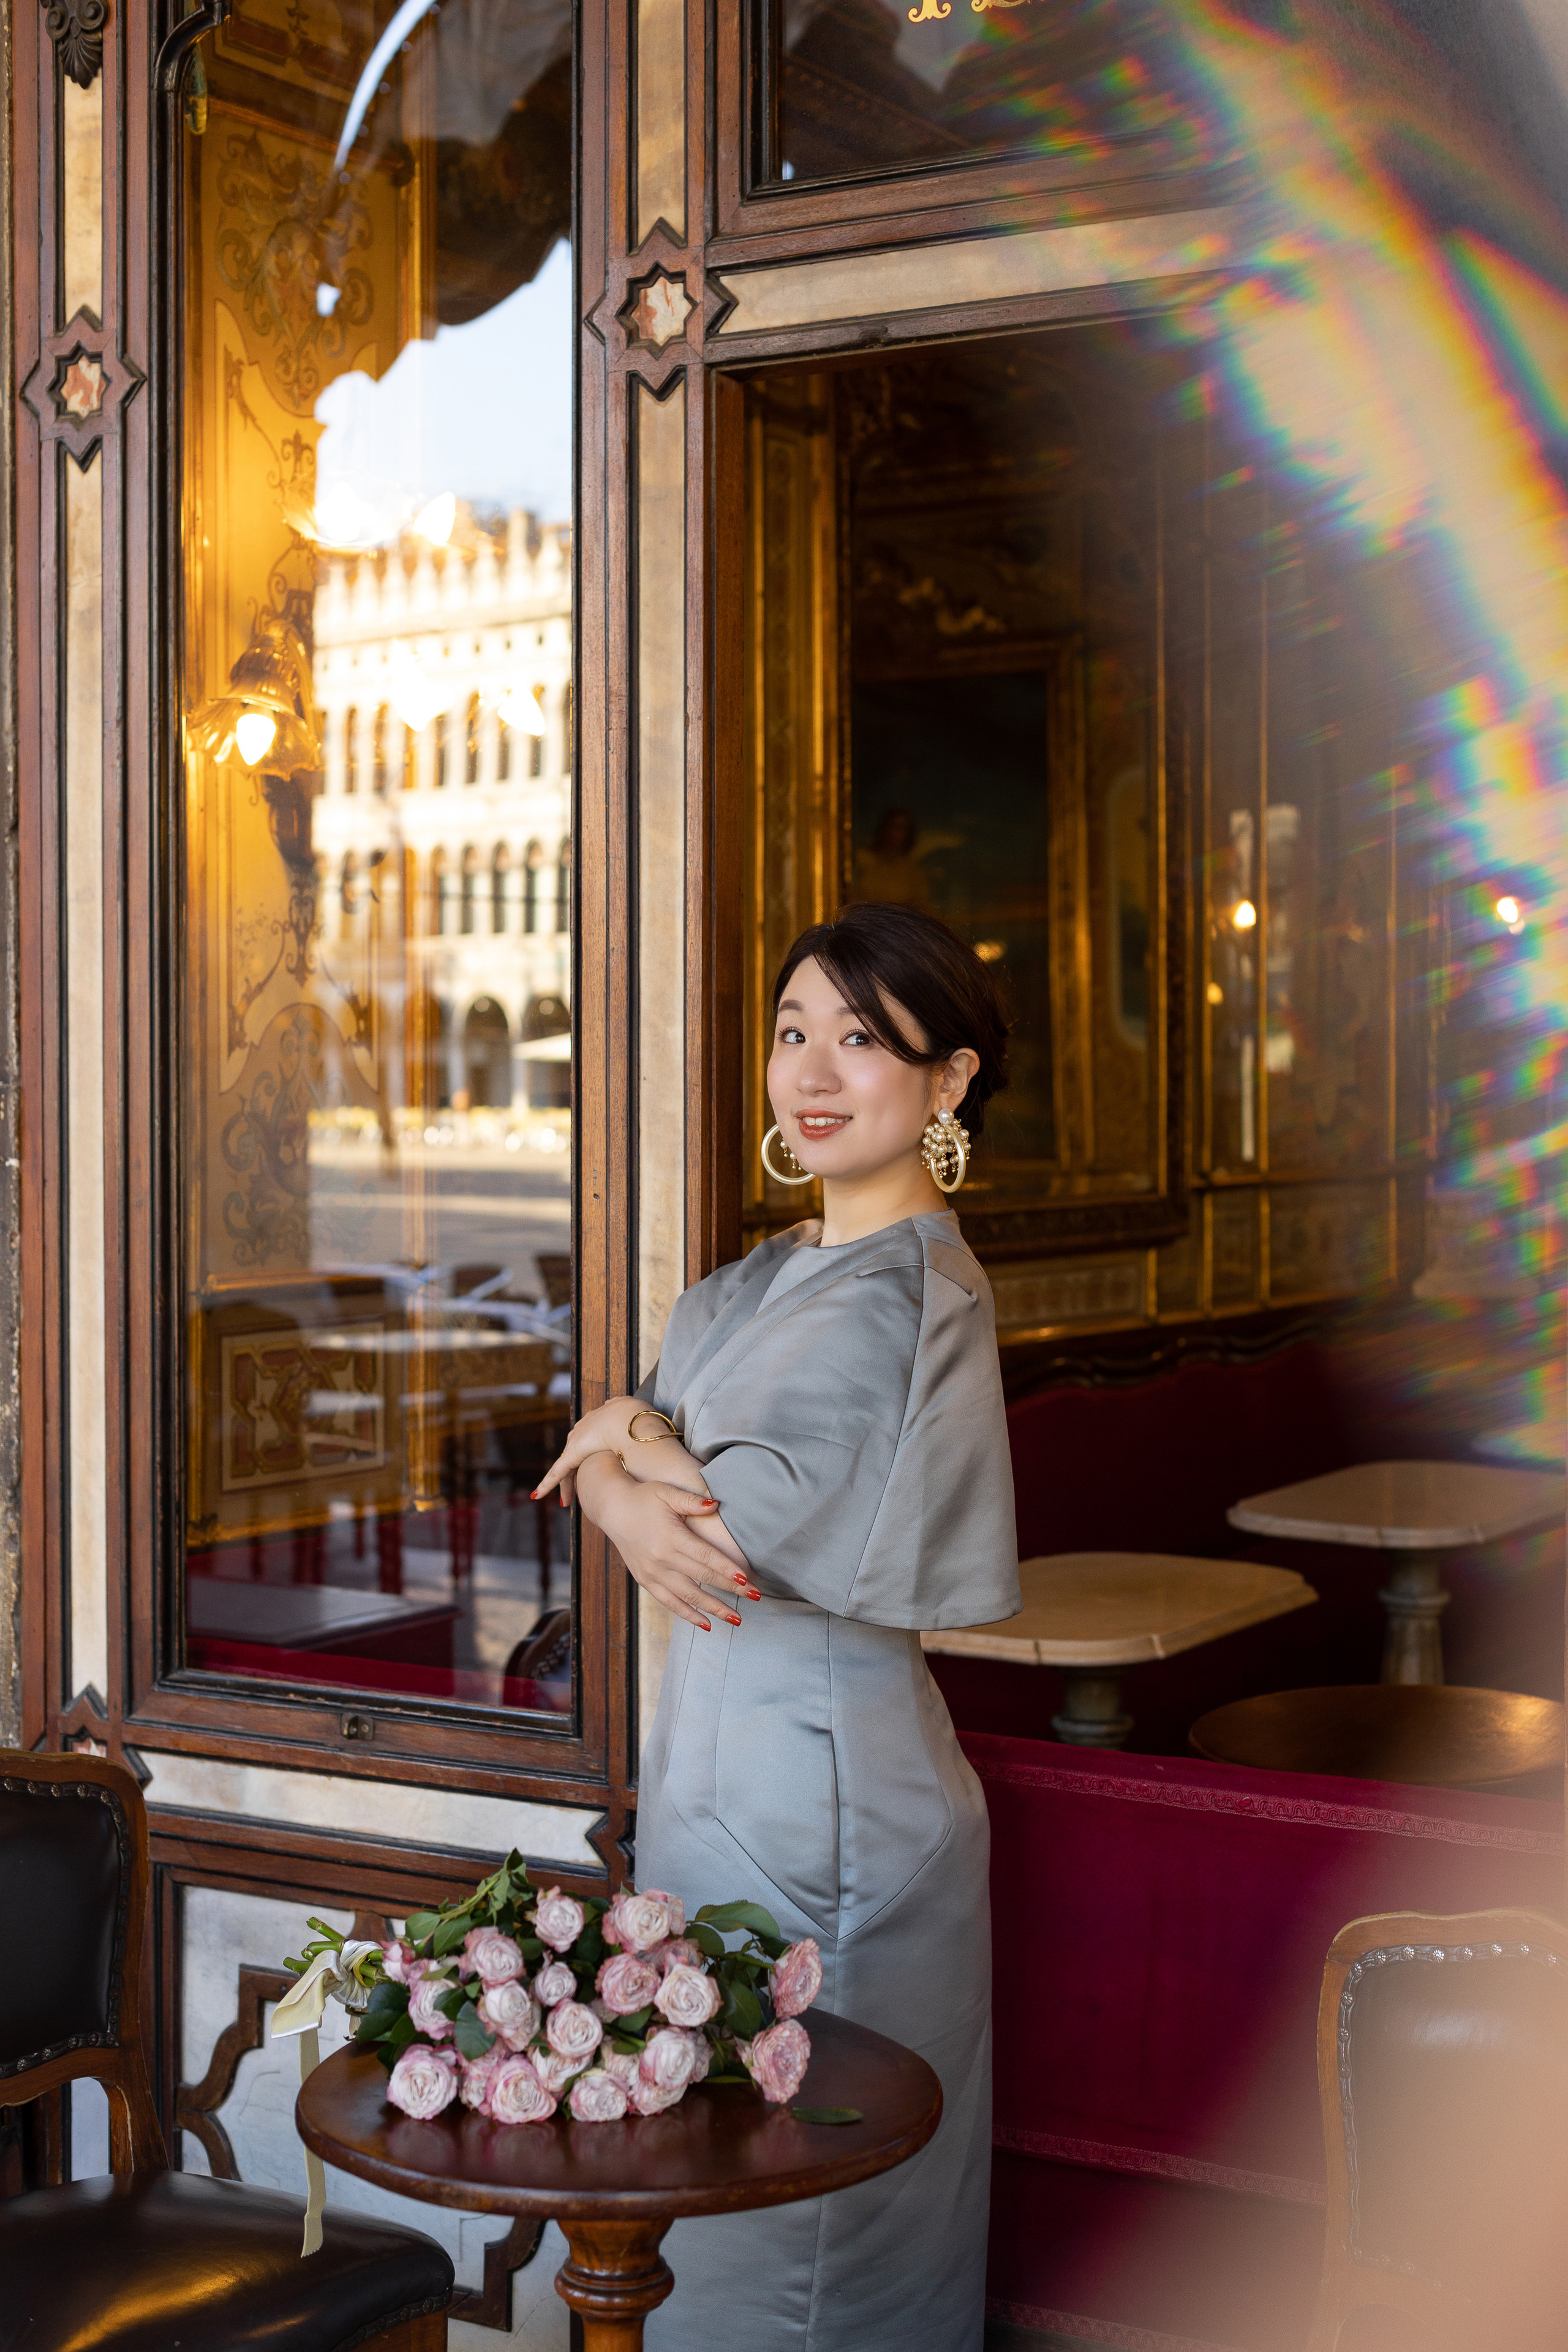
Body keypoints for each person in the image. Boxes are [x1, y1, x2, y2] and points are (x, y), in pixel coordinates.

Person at [536, 899, 1020, 2351]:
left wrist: (613, 1475)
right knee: (723, 2167)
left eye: (862, 1039)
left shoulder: (912, 1294)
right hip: (718, 1762)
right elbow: (653, 1420)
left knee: (815, 2206)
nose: (812, 1069)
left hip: (825, 1784)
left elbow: (724, 1534)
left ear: (947, 1084)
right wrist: (623, 1440)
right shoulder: (759, 1278)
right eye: (793, 1030)